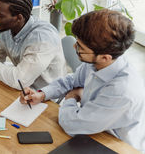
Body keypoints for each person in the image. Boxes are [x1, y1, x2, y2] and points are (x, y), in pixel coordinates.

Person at [20, 9, 145, 152]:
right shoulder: (98, 62)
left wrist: (71, 98)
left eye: (80, 47)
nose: (74, 47)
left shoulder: (122, 91)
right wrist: (42, 94)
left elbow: (72, 124)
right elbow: (72, 80)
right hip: (92, 130)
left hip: (115, 145)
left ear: (105, 57)